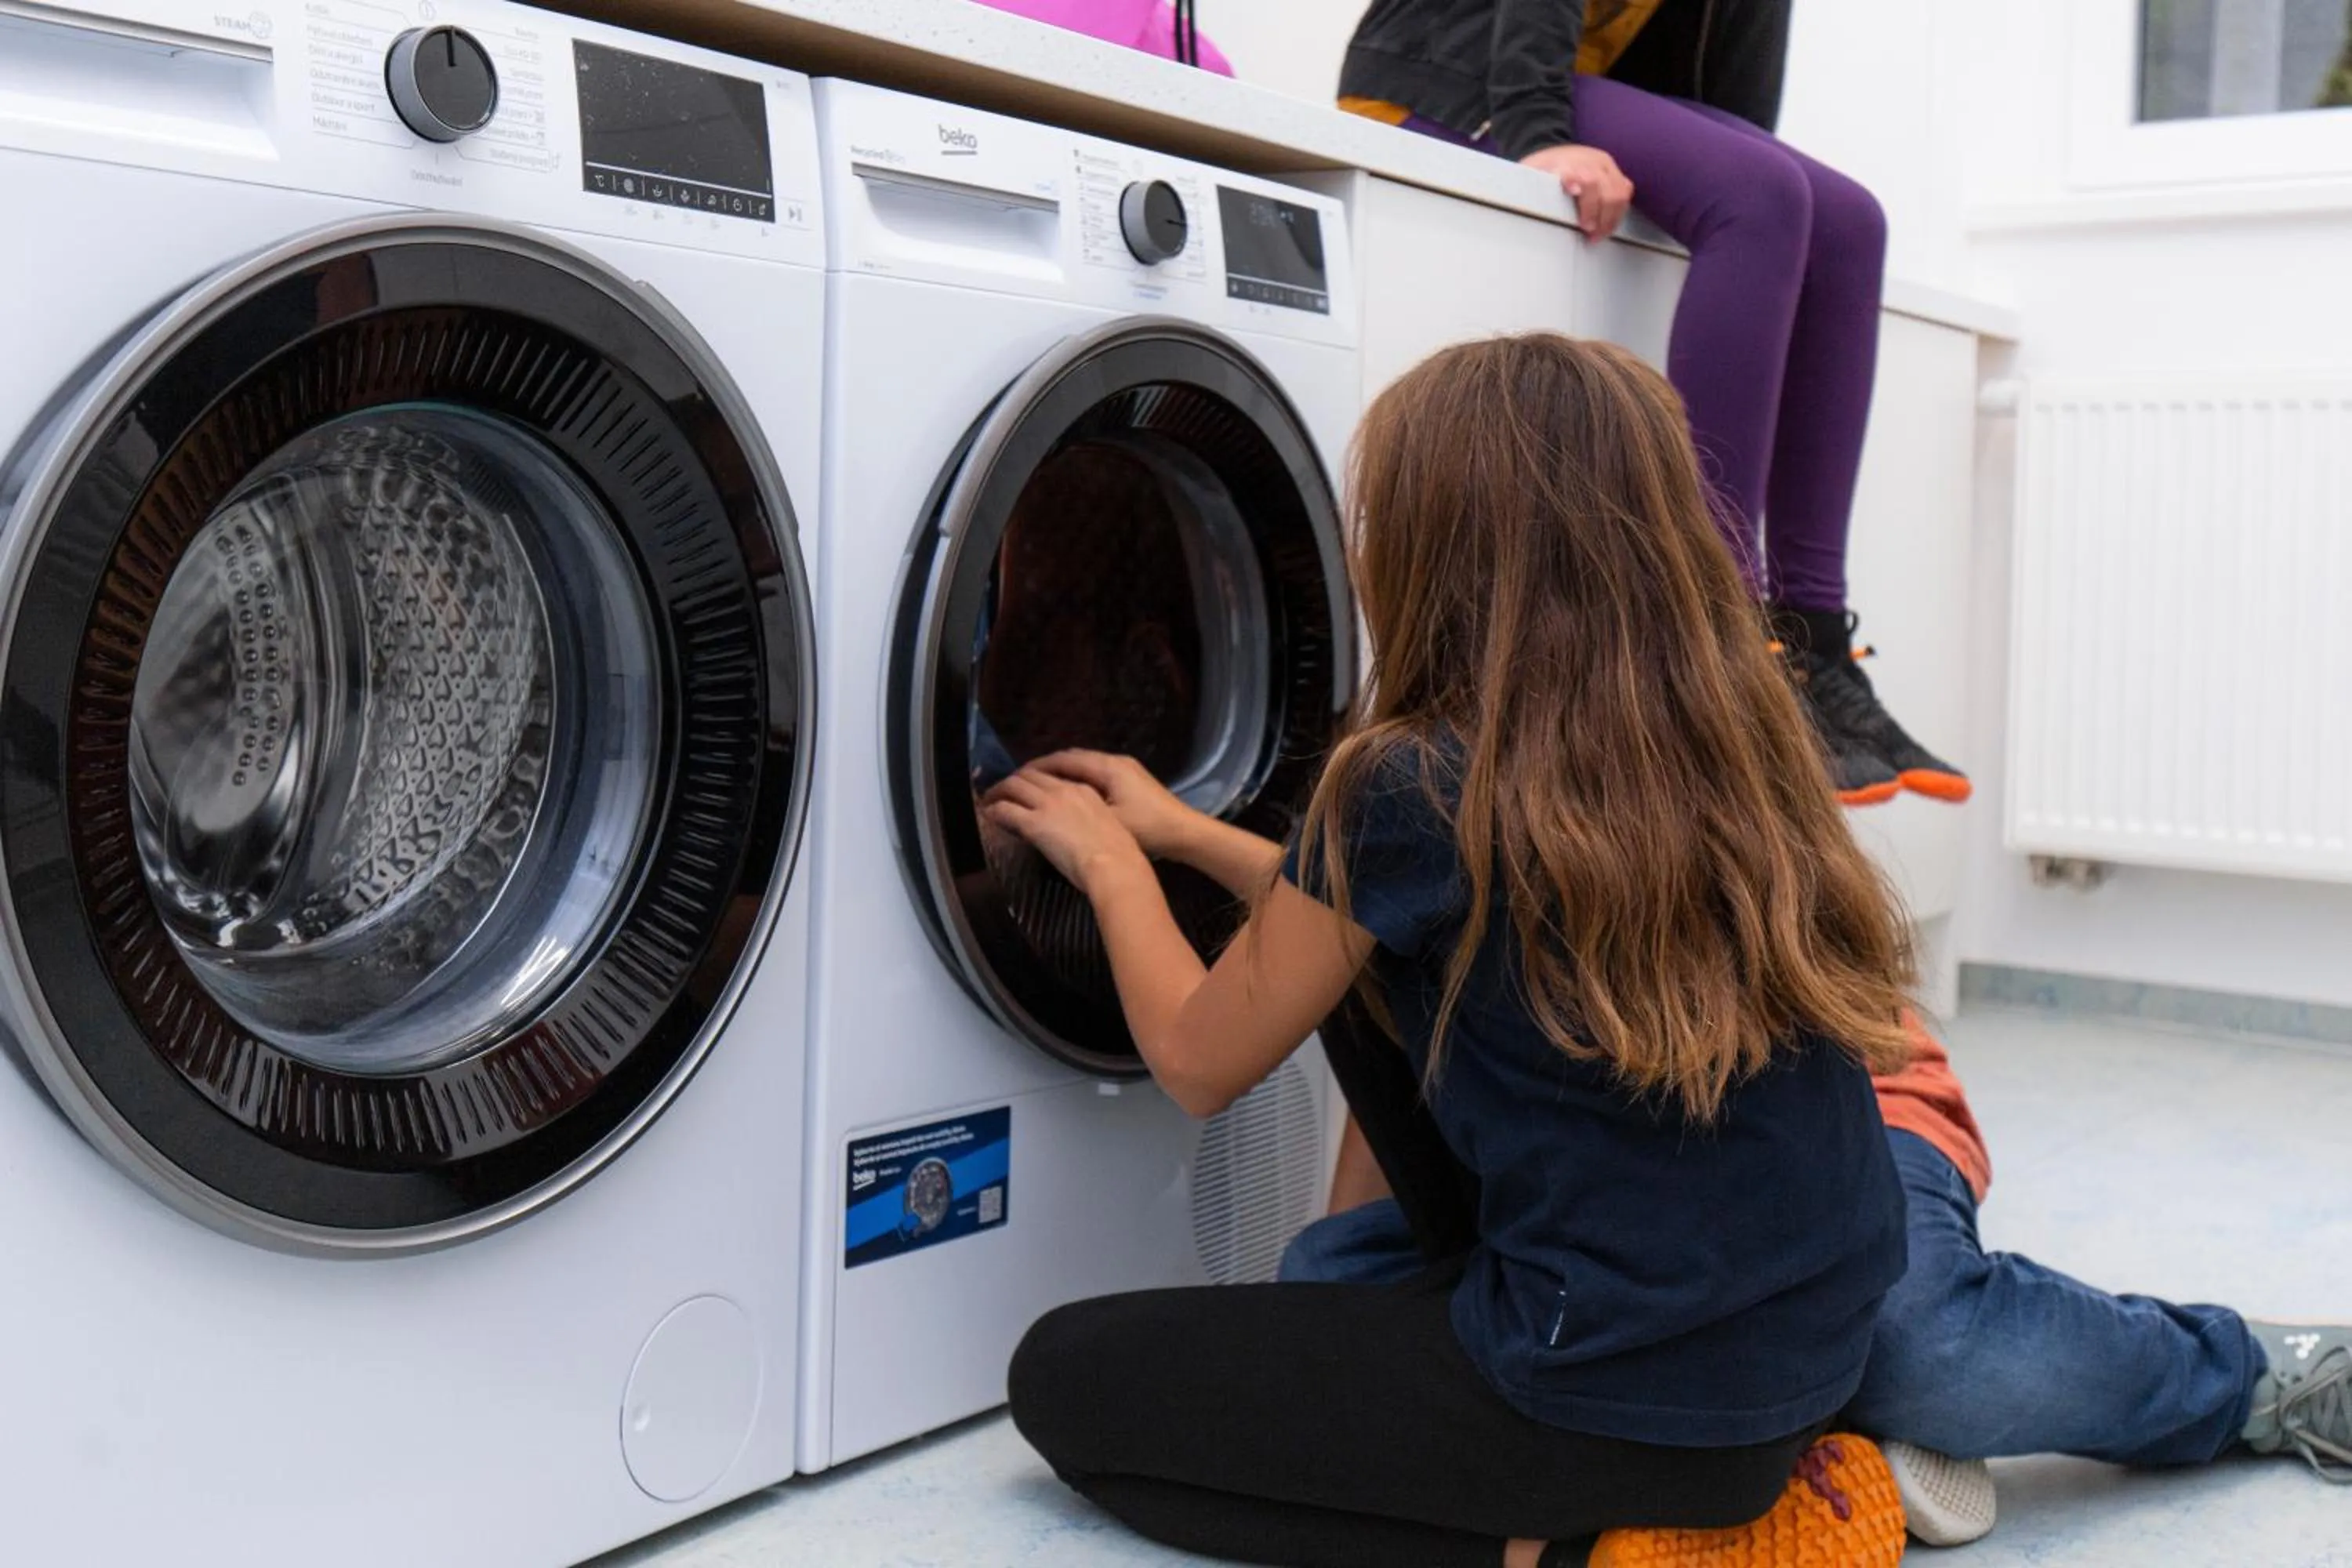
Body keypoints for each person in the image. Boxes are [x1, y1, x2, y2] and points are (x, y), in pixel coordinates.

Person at [986, 333, 1918, 1568]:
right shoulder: (1728, 741)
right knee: (1375, 973)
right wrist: (1185, 833)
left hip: (1616, 1393)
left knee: (1064, 1382)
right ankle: (1719, 1496)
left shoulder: (1409, 781)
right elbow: (1364, 924)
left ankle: (1590, 1553)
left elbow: (1200, 1058)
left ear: (1429, 549)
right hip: (1803, 1356)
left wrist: (1110, 864)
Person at [1282, 1008, 2352, 1547]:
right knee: (1335, 1301)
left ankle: (2257, 1378)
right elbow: (1366, 999)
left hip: (1824, 1101)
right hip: (1589, 1177)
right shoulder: (1396, 796)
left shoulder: (1683, 708)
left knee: (1914, 1337)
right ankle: (1834, 1428)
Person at [1336, 0, 1962, 807]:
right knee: (1762, 193)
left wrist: (1711, 189)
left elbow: (1729, 95)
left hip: (1576, 86)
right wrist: (1538, 134)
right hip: (1452, 74)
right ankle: (1720, 629)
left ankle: (1813, 641)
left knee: (1848, 221)